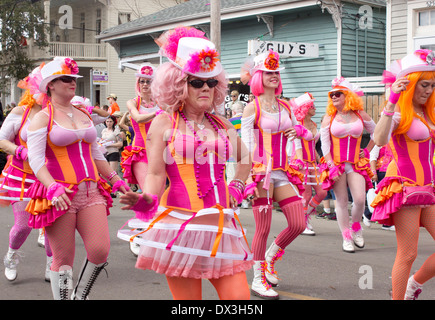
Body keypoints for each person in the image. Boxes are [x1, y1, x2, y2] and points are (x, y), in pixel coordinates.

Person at [117, 27, 253, 300]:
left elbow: (246, 158)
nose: (205, 88)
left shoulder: (223, 124)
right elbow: (155, 174)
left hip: (221, 225)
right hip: (179, 224)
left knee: (239, 299)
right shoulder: (164, 122)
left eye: (211, 82)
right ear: (178, 84)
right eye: (196, 82)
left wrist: (236, 188)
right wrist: (146, 200)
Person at [25, 56, 129, 300]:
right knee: (62, 259)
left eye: (73, 78)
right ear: (50, 85)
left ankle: (79, 295)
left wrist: (117, 180)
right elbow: (36, 160)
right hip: (60, 195)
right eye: (65, 79)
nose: (72, 83)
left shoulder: (82, 113)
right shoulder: (42, 117)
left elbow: (95, 153)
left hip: (92, 192)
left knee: (100, 251)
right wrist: (52, 187)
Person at [240, 49, 305, 299]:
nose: (274, 76)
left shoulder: (285, 105)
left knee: (298, 223)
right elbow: (245, 148)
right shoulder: (251, 108)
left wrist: (295, 139)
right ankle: (257, 279)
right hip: (260, 172)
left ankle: (269, 258)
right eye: (269, 72)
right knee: (263, 228)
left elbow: (295, 139)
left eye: (277, 72)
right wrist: (246, 178)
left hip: (283, 172)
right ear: (259, 76)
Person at [370, 49, 435, 300]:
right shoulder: (399, 114)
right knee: (407, 253)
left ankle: (413, 285)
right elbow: (378, 138)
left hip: (429, 187)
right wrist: (391, 100)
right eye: (423, 84)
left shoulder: (429, 113)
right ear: (411, 84)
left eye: (432, 85)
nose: (428, 90)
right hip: (405, 187)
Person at [0, 65, 53, 282]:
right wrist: (19, 150)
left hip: (50, 179)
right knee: (23, 226)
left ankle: (53, 264)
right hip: (22, 177)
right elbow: (2, 140)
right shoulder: (19, 113)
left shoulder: (58, 113)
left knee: (51, 226)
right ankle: (11, 255)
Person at [319, 77, 376, 253]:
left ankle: (356, 227)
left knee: (359, 199)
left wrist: (367, 150)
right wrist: (331, 166)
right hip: (335, 163)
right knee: (342, 202)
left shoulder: (360, 114)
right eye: (332, 94)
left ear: (348, 96)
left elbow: (377, 132)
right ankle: (346, 236)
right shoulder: (329, 117)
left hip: (356, 163)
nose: (333, 97)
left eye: (338, 94)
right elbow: (325, 145)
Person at [120, 63, 162, 193]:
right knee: (149, 191)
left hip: (159, 151)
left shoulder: (160, 102)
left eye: (148, 82)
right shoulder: (132, 102)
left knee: (160, 193)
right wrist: (158, 113)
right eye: (142, 81)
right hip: (140, 152)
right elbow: (137, 118)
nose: (144, 84)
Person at [289, 93, 327, 236]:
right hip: (300, 163)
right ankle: (302, 223)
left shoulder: (314, 124)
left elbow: (313, 146)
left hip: (312, 163)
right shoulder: (297, 125)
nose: (315, 108)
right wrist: (299, 161)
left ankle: (303, 217)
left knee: (322, 191)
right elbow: (297, 144)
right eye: (312, 106)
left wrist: (320, 160)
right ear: (305, 108)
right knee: (305, 194)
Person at [101, 116, 123, 185]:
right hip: (104, 152)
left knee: (112, 173)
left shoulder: (116, 131)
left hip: (113, 152)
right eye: (107, 121)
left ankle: (116, 188)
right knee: (104, 173)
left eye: (110, 121)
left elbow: (120, 143)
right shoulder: (104, 130)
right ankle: (107, 189)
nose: (109, 123)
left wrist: (109, 144)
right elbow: (102, 140)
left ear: (113, 122)